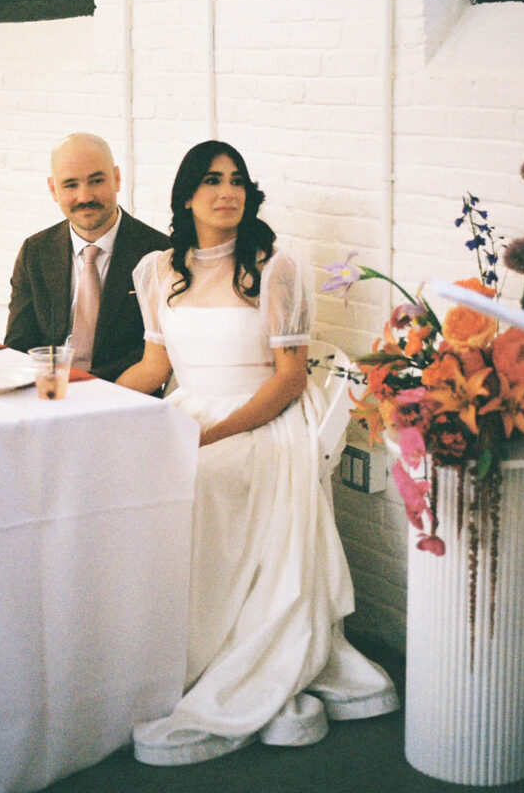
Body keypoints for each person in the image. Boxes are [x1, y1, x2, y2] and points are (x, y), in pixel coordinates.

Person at [116, 140, 399, 766]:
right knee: (126, 483)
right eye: (213, 181)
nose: (228, 192)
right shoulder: (159, 269)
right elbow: (154, 365)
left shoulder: (274, 268)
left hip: (261, 420)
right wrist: (96, 406)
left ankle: (222, 648)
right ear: (186, 195)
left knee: (204, 476)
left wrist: (210, 435)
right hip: (188, 409)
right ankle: (153, 648)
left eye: (238, 180)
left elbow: (289, 380)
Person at [4, 133, 168, 381]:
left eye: (96, 181)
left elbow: (153, 357)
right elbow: (19, 344)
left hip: (124, 396)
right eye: (71, 185)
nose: (85, 197)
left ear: (116, 179)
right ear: (53, 189)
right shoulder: (35, 251)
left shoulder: (159, 252)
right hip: (50, 392)